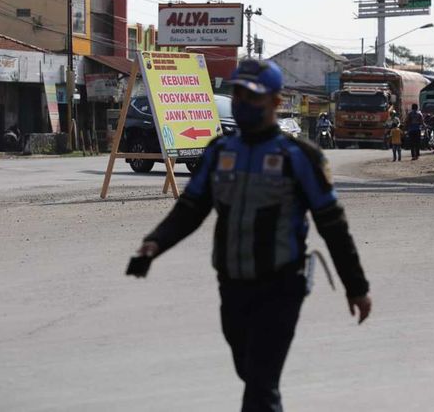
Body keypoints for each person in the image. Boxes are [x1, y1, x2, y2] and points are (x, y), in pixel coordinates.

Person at [131, 59, 372, 412]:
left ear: (276, 102)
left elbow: (333, 226)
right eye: (239, 94)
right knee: (250, 370)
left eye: (253, 96)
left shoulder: (299, 157)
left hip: (281, 286)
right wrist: (155, 242)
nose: (243, 102)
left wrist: (357, 286)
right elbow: (191, 208)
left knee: (260, 385)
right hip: (232, 285)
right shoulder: (219, 152)